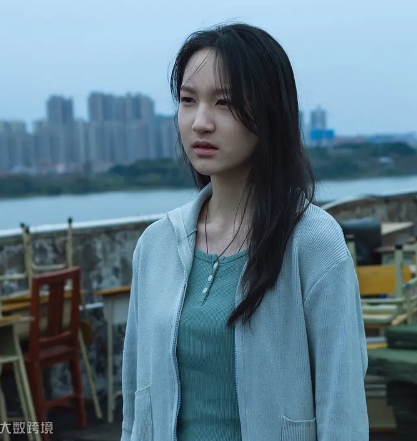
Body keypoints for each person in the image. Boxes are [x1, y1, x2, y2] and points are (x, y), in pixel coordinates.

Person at [120, 22, 369, 441]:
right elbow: (135, 406)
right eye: (188, 100)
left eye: (225, 103)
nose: (200, 122)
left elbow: (342, 412)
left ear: (270, 112)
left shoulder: (312, 243)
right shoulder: (156, 246)